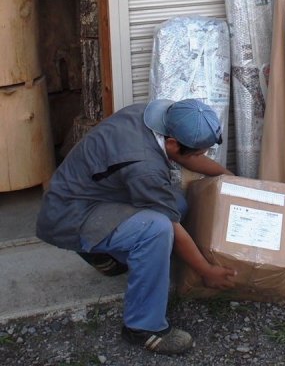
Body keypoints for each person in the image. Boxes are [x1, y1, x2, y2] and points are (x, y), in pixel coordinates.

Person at [36, 98, 236, 355]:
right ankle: (143, 327)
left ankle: (102, 253)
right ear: (173, 143)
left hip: (96, 191)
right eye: (199, 152)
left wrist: (230, 179)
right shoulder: (145, 166)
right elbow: (172, 225)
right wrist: (206, 270)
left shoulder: (154, 116)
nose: (201, 158)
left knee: (175, 203)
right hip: (70, 213)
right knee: (157, 230)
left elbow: (187, 158)